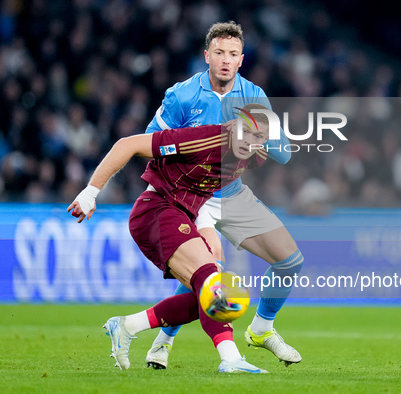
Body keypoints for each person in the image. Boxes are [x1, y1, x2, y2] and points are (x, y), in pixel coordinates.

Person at [145, 21, 303, 369]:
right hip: (192, 196)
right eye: (219, 53)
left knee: (291, 262)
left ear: (241, 59)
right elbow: (150, 141)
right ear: (207, 56)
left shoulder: (254, 97)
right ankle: (162, 342)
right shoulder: (182, 94)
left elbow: (284, 154)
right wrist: (190, 146)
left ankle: (262, 329)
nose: (225, 60)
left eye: (232, 54)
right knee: (206, 273)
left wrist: (259, 136)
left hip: (232, 194)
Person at [68, 103, 270, 373]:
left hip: (187, 215)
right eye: (247, 131)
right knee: (215, 285)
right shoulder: (204, 139)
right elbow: (127, 145)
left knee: (202, 295)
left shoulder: (255, 156)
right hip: (157, 209)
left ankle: (127, 326)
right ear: (232, 126)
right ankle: (231, 360)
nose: (251, 140)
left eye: (260, 137)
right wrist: (91, 192)